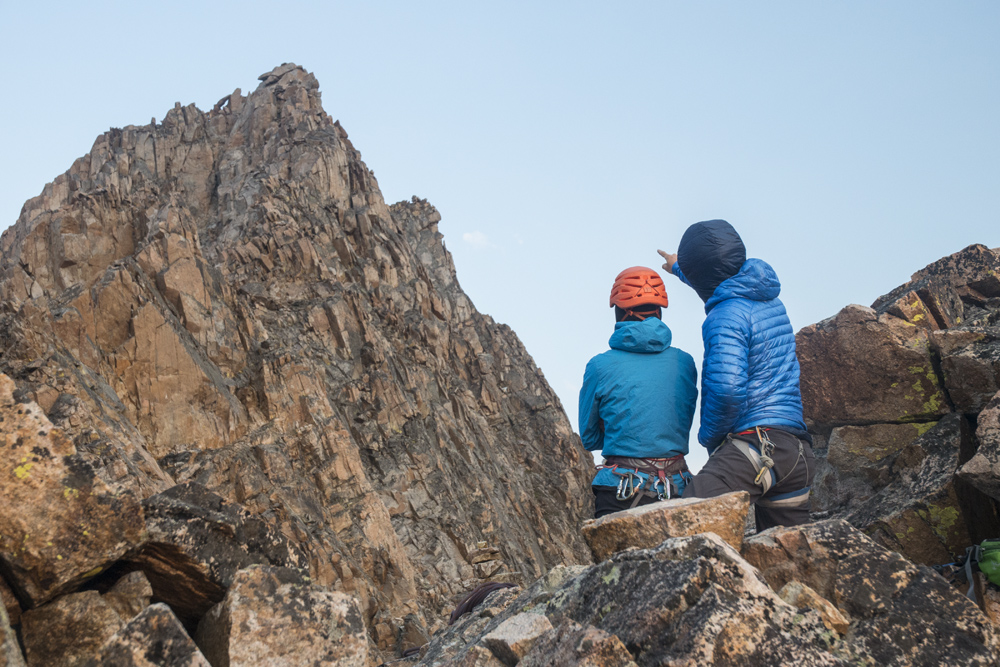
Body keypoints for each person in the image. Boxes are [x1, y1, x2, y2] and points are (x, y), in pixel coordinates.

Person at [658, 219, 815, 531]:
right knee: (787, 559)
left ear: (699, 275)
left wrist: (711, 441)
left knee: (680, 524)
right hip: (796, 454)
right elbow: (720, 281)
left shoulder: (724, 316)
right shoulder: (767, 296)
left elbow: (727, 390)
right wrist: (679, 269)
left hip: (757, 450)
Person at [579, 266, 698, 519]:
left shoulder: (599, 366)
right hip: (678, 487)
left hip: (620, 490)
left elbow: (589, 439)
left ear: (619, 311)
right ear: (660, 311)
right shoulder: (684, 363)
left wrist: (623, 435)